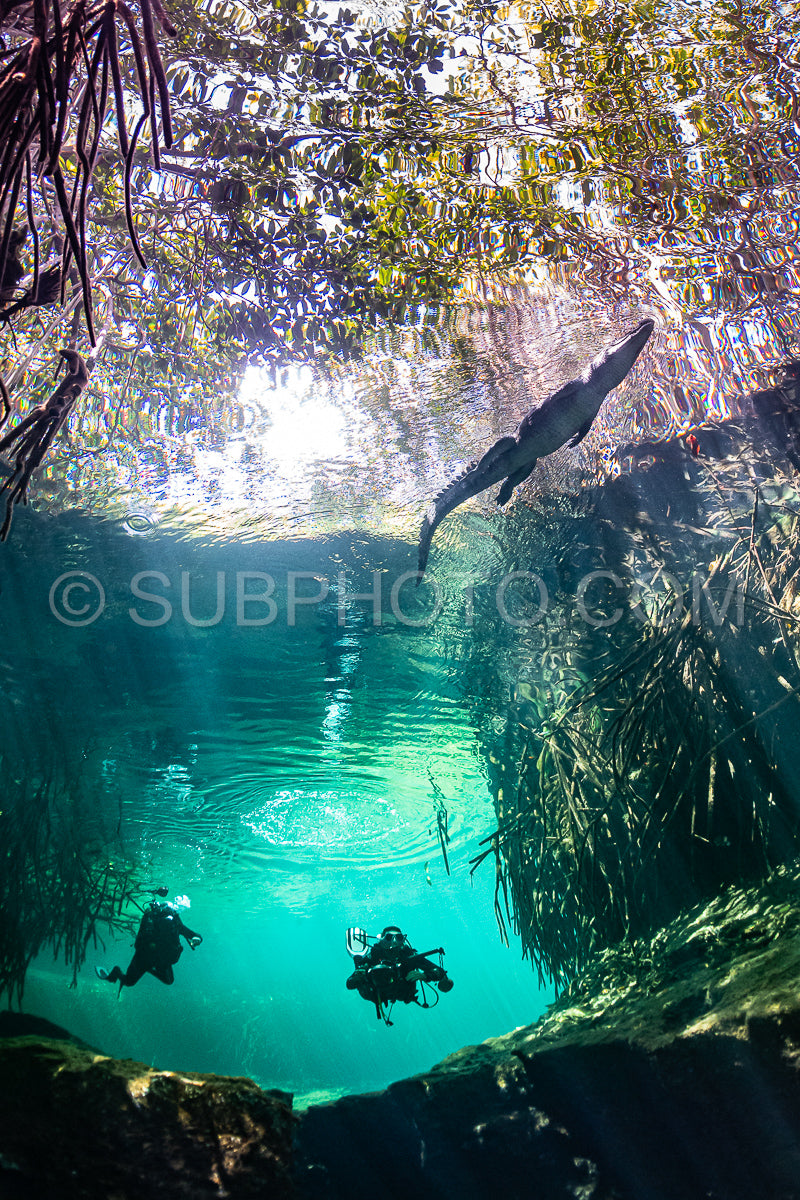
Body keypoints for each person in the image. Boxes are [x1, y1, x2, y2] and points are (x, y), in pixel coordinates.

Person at [96, 891, 202, 988]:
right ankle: (116, 972)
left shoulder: (176, 922)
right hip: (145, 956)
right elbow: (143, 938)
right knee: (129, 982)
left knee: (169, 980)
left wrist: (196, 939)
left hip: (161, 959)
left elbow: (192, 934)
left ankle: (146, 969)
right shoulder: (155, 917)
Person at [346, 925, 453, 1020]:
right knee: (363, 976)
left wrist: (425, 975)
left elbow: (439, 971)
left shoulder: (408, 955)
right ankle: (358, 960)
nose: (394, 941)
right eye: (389, 937)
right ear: (382, 940)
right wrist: (364, 974)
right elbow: (350, 984)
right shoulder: (374, 956)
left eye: (399, 938)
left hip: (402, 993)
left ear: (403, 940)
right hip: (377, 993)